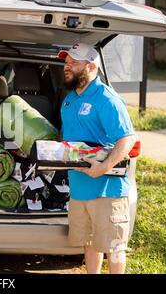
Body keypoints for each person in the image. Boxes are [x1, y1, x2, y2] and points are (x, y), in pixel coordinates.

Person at [58, 43, 136, 274]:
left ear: (91, 66)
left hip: (106, 191)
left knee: (114, 246)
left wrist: (102, 168)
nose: (67, 67)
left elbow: (127, 139)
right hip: (80, 188)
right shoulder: (69, 100)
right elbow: (70, 140)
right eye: (66, 62)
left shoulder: (106, 99)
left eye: (73, 62)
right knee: (90, 243)